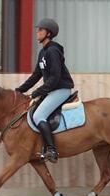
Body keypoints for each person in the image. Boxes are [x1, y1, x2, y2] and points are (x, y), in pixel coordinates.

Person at [15, 18, 74, 163]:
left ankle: (52, 150)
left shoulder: (53, 51)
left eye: (40, 30)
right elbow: (36, 75)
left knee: (38, 115)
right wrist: (19, 90)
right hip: (52, 90)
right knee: (35, 111)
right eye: (38, 29)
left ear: (48, 33)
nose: (37, 32)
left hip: (61, 89)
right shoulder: (43, 53)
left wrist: (36, 93)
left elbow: (54, 78)